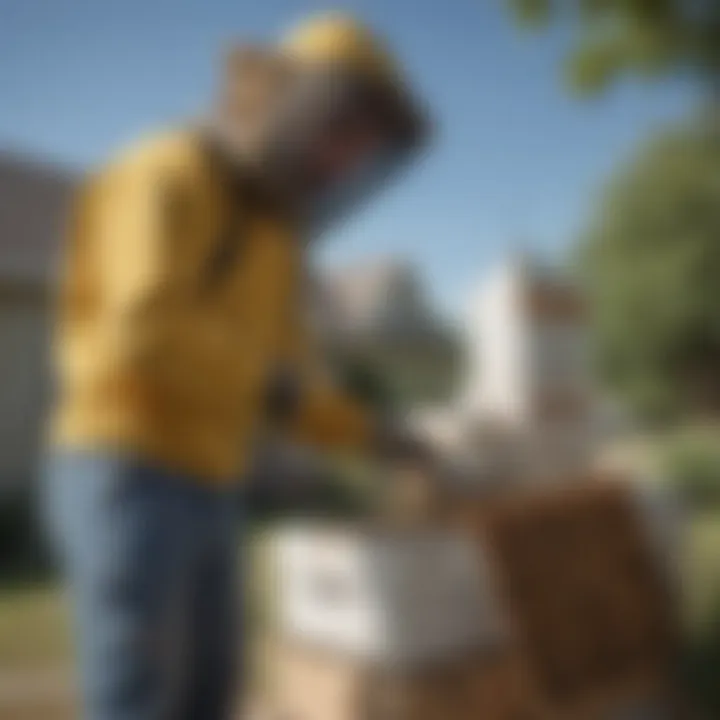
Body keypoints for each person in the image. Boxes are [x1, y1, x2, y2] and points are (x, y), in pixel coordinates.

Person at [43, 13, 431, 720]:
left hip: (214, 481)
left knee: (210, 696)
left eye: (362, 149)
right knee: (141, 700)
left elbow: (291, 386)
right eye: (342, 133)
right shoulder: (164, 170)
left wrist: (377, 434)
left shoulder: (275, 239)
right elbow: (143, 328)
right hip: (126, 467)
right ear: (292, 101)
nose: (343, 163)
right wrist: (272, 387)